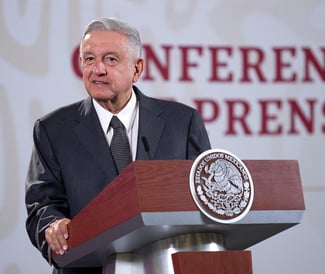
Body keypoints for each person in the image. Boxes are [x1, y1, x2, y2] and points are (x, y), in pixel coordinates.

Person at [25, 17, 211, 274]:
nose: (97, 69)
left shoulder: (182, 122)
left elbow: (205, 198)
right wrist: (53, 226)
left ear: (137, 69)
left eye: (111, 59)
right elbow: (41, 206)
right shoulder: (53, 130)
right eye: (89, 59)